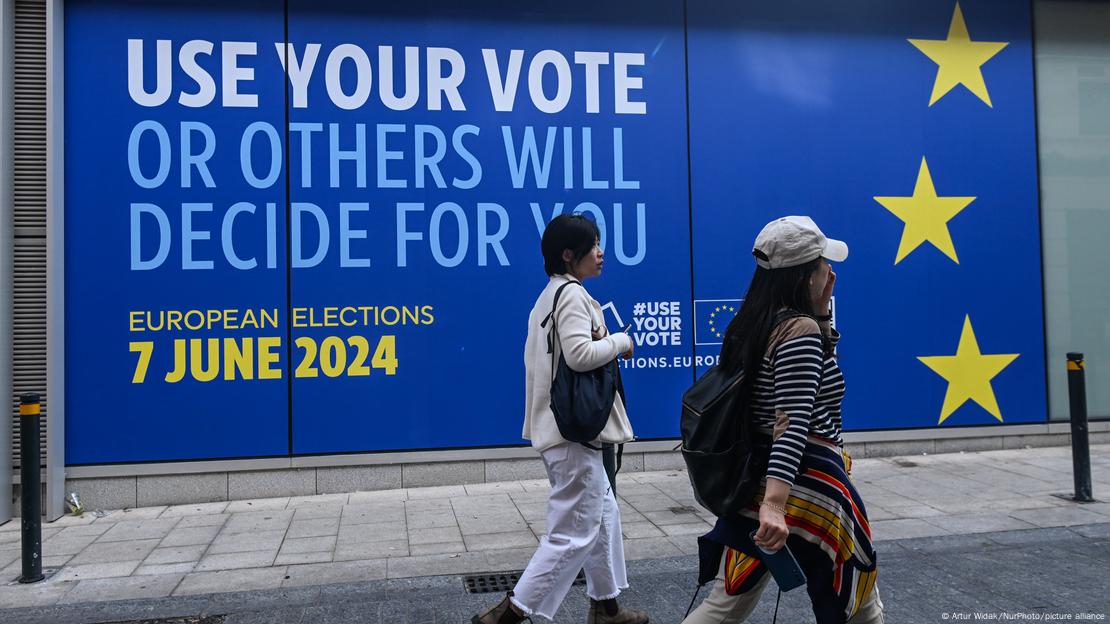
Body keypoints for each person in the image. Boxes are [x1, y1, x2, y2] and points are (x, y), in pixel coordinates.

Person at [683, 216, 885, 624]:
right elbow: (790, 422)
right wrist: (775, 506)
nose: (831, 271)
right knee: (860, 603)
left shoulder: (757, 321)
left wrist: (823, 316)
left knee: (726, 603)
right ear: (804, 275)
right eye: (823, 263)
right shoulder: (800, 331)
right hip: (805, 487)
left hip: (759, 482)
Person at [472, 214, 650, 624]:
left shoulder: (548, 296)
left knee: (603, 515)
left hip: (561, 432)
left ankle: (606, 608)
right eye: (593, 246)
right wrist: (621, 341)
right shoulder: (571, 296)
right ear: (569, 255)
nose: (601, 253)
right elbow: (579, 355)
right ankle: (507, 615)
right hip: (573, 437)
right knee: (572, 534)